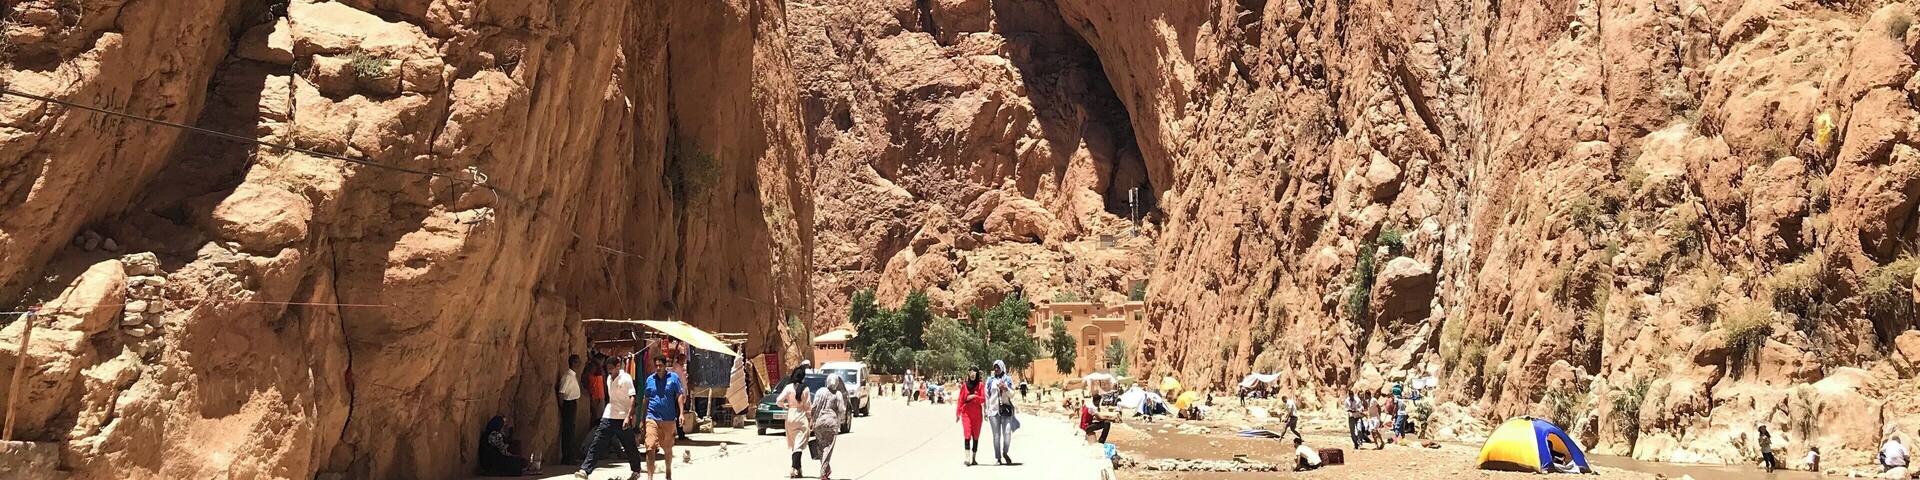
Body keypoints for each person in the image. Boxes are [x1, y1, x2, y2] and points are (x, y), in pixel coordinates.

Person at [576, 357, 640, 479]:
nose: (609, 371)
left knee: (629, 445)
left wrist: (628, 416)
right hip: (609, 415)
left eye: (611, 368)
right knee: (597, 442)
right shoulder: (609, 379)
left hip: (622, 417)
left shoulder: (626, 378)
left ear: (618, 366)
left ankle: (636, 470)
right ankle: (585, 470)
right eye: (607, 368)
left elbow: (632, 397)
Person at [640, 355, 683, 480]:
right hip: (651, 417)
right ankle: (650, 477)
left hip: (668, 419)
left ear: (665, 365)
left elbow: (679, 395)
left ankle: (668, 471)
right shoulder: (650, 380)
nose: (658, 368)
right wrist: (642, 419)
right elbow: (646, 399)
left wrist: (681, 413)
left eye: (661, 365)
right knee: (650, 446)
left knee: (667, 448)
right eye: (656, 365)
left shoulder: (673, 378)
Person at [811, 374, 850, 480]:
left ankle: (826, 469)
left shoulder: (820, 391)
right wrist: (839, 420)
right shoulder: (838, 394)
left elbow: (814, 407)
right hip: (831, 422)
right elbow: (842, 409)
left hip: (819, 422)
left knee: (820, 447)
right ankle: (823, 473)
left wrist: (812, 420)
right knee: (828, 447)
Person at [777, 366, 812, 478]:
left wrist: (785, 405)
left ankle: (799, 469)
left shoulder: (788, 387)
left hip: (790, 416)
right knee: (799, 445)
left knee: (795, 444)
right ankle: (793, 468)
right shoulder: (805, 389)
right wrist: (810, 418)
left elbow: (778, 401)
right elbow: (808, 406)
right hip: (800, 416)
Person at [986, 360, 1020, 465]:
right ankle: (998, 458)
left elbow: (1012, 394)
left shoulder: (1008, 379)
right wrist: (986, 410)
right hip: (993, 411)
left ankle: (1005, 452)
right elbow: (987, 396)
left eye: (998, 367)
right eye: (994, 367)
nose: (996, 369)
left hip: (1006, 410)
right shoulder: (990, 380)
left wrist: (1006, 388)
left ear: (1002, 367)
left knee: (1007, 433)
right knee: (996, 435)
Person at [956, 366, 987, 466]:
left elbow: (983, 399)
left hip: (977, 415)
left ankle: (974, 458)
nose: (972, 374)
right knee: (967, 434)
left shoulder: (981, 385)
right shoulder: (965, 386)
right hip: (966, 414)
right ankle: (967, 458)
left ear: (977, 374)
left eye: (974, 372)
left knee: (976, 436)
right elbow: (961, 400)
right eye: (970, 372)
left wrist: (974, 396)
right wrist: (958, 413)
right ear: (968, 374)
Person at [558, 354, 583, 463]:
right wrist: (562, 407)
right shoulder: (568, 376)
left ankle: (570, 456)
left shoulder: (572, 375)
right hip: (568, 404)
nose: (579, 364)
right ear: (573, 363)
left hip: (572, 403)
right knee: (568, 431)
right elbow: (561, 392)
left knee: (571, 430)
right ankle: (567, 457)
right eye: (577, 362)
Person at [673, 353, 692, 441]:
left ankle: (681, 433)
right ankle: (680, 433)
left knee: (679, 414)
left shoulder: (680, 368)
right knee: (678, 414)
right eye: (683, 359)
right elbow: (679, 383)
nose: (684, 361)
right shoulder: (677, 369)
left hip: (681, 394)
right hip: (678, 395)